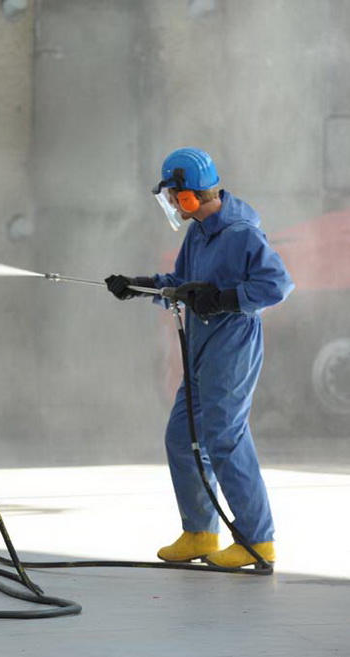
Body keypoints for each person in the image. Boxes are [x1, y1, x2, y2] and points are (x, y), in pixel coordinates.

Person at [105, 147, 294, 568]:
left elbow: (277, 285)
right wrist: (138, 286)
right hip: (201, 347)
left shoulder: (241, 233)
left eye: (174, 196)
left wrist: (224, 299)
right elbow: (181, 283)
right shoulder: (199, 233)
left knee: (225, 437)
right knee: (181, 436)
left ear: (189, 194)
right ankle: (200, 532)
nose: (173, 204)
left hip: (232, 344)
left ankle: (257, 540)